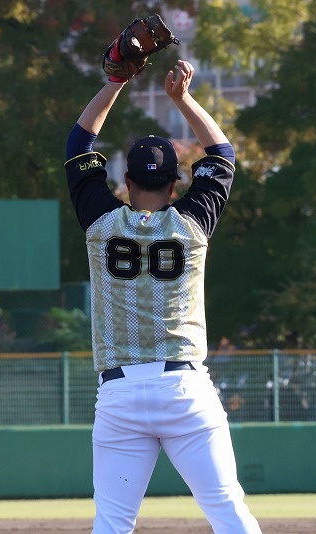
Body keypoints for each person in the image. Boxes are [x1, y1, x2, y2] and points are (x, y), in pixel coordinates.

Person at [63, 58, 262, 533]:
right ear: (175, 184)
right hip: (184, 389)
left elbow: (78, 143)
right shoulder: (192, 223)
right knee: (227, 509)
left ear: (126, 181)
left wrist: (115, 81)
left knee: (113, 522)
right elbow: (222, 152)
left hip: (120, 391)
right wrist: (183, 98)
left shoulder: (100, 222)